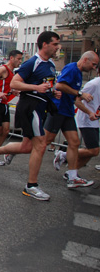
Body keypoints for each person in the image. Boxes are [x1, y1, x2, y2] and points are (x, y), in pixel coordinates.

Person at [0, 31, 61, 200]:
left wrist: (53, 92)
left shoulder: (51, 65)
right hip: (31, 107)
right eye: (54, 44)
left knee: (27, 147)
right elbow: (15, 82)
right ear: (45, 44)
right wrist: (36, 88)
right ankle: (31, 186)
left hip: (41, 106)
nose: (57, 47)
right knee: (40, 145)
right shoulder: (33, 62)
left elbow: (45, 85)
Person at [49, 51, 98, 188]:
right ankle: (7, 152)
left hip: (68, 112)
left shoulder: (78, 72)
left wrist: (87, 109)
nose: (94, 67)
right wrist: (81, 93)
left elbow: (76, 98)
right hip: (59, 110)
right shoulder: (71, 68)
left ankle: (72, 177)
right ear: (86, 60)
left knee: (75, 143)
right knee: (41, 143)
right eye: (93, 64)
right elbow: (59, 86)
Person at [73, 67, 100, 175]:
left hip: (94, 121)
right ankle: (64, 154)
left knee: (91, 152)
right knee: (94, 150)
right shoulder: (93, 84)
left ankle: (72, 174)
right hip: (86, 120)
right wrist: (89, 112)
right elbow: (77, 100)